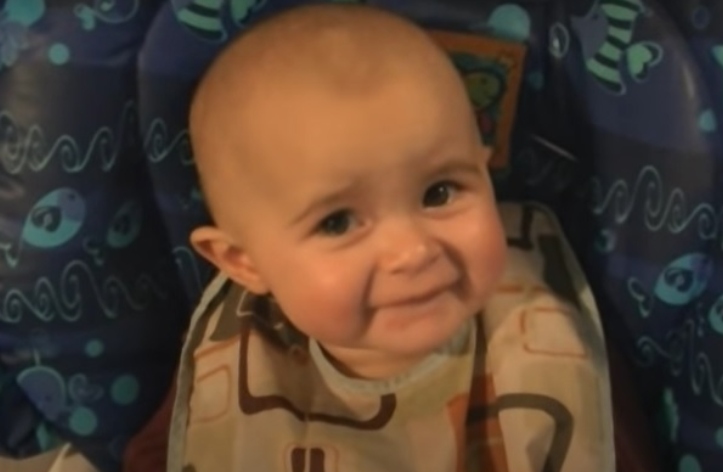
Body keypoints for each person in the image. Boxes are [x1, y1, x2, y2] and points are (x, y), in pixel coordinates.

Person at [149, 4, 614, 471]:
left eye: (439, 192)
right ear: (243, 262)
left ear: (483, 166)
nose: (413, 251)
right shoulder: (229, 370)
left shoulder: (549, 319)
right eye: (337, 222)